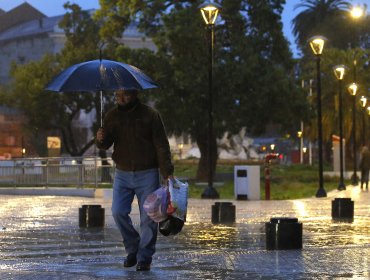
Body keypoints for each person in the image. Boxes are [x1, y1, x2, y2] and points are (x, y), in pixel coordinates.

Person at [96, 89, 174, 271]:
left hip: (147, 173)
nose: (121, 99)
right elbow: (105, 143)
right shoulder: (112, 116)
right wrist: (99, 139)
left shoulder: (150, 115)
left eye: (126, 95)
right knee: (117, 212)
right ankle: (133, 248)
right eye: (117, 95)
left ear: (135, 94)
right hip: (122, 173)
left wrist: (167, 172)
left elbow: (161, 145)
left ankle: (144, 257)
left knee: (148, 217)